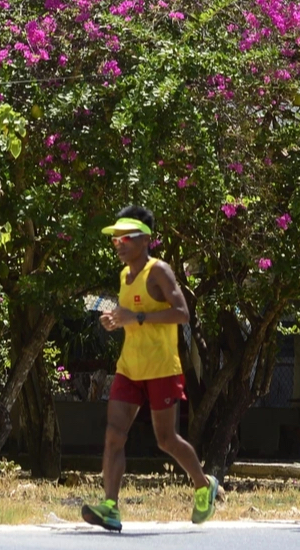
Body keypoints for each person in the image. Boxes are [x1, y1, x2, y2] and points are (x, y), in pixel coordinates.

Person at [81, 207, 223, 532]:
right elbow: (129, 313)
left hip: (161, 368)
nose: (118, 244)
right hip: (130, 367)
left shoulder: (159, 271)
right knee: (114, 435)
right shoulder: (123, 276)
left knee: (166, 439)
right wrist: (115, 320)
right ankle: (110, 507)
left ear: (146, 239)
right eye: (116, 239)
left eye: (126, 238)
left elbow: (183, 314)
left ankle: (204, 485)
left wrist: (139, 318)